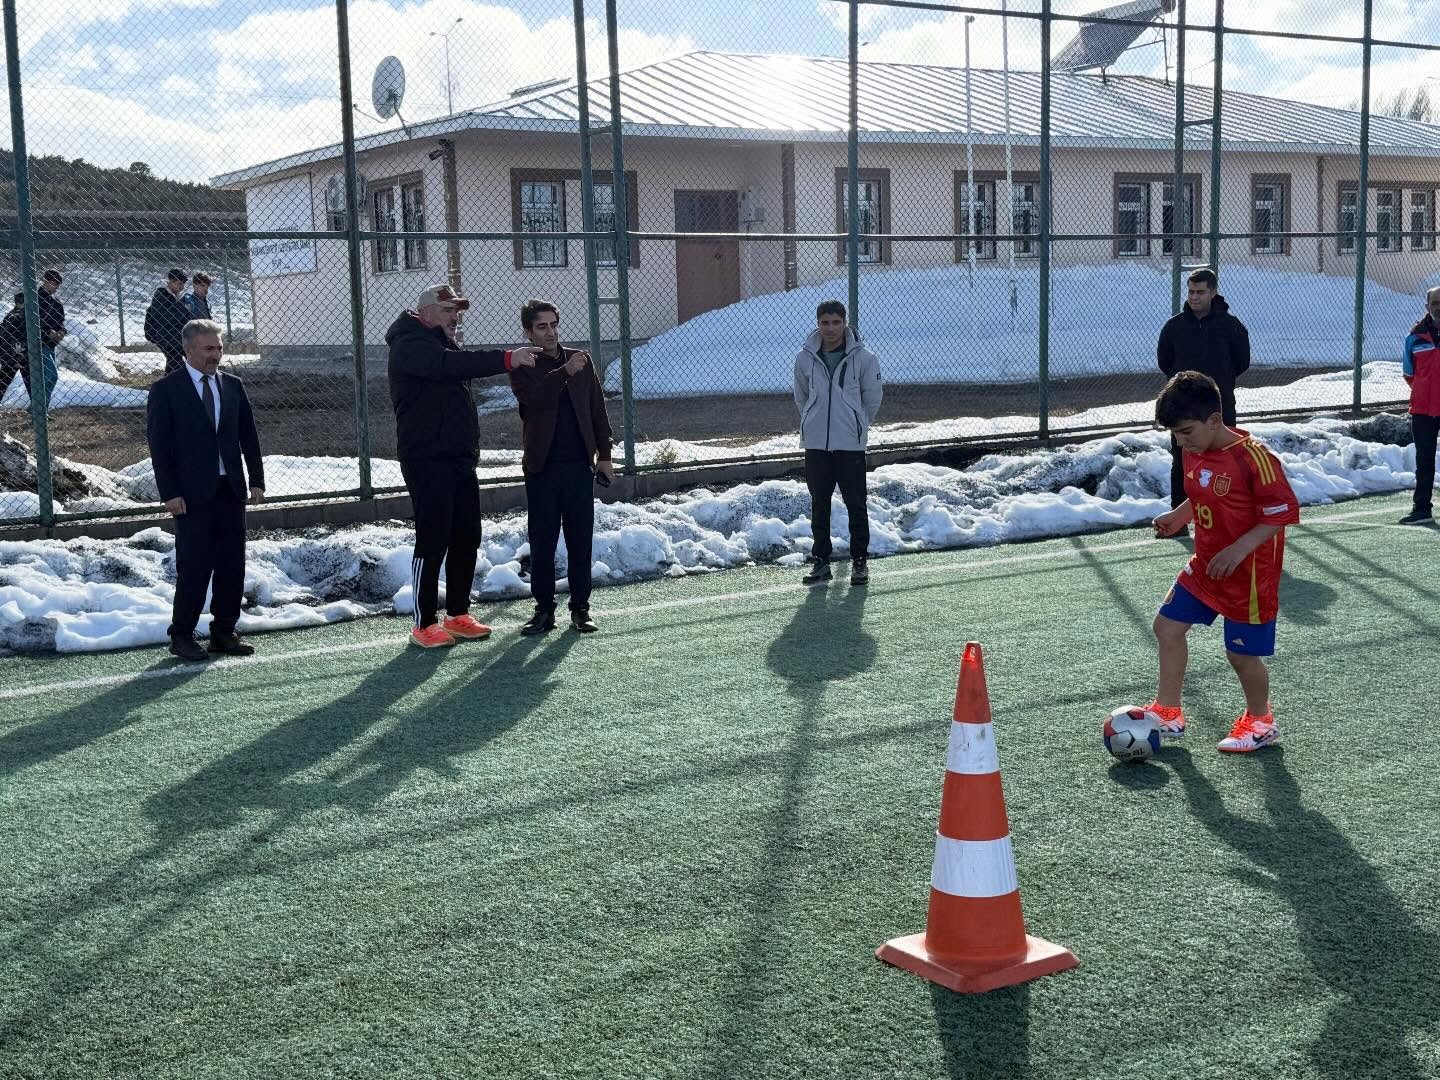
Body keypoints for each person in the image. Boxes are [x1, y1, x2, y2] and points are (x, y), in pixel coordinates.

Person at [1148, 371, 1300, 753]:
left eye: (1185, 432)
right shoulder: (1192, 447)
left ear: (1215, 420)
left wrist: (1237, 550)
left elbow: (1280, 512)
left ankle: (1261, 720)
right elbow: (1203, 493)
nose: (1180, 441)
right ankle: (1168, 712)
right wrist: (1180, 516)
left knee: (1240, 654)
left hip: (1248, 575)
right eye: (1175, 434)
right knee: (1166, 627)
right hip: (1206, 567)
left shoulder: (1256, 459)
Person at [387, 283, 539, 649]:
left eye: (457, 311)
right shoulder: (411, 345)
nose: (455, 317)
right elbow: (448, 366)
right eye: (447, 310)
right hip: (426, 460)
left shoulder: (439, 342)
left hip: (458, 459)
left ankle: (457, 614)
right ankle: (423, 623)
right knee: (433, 538)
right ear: (425, 314)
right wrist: (507, 358)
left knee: (466, 535)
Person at [146, 319, 265, 661]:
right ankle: (182, 634)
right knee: (195, 565)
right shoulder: (166, 390)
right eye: (208, 348)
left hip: (230, 491)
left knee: (232, 564)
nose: (216, 355)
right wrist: (169, 492)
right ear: (188, 349)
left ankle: (224, 632)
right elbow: (160, 446)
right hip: (190, 496)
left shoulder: (233, 385)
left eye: (219, 348)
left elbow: (249, 436)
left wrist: (256, 480)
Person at [509, 299, 615, 636]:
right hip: (542, 468)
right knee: (543, 540)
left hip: (578, 468)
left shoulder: (580, 360)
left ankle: (581, 609)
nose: (551, 332)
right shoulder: (522, 364)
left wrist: (605, 455)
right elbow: (535, 399)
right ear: (529, 332)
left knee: (580, 539)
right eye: (542, 326)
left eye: (554, 324)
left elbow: (598, 410)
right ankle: (544, 610)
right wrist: (563, 373)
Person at [792, 298, 883, 585]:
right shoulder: (804, 357)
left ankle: (859, 562)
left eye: (836, 322)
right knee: (819, 503)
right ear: (817, 324)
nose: (830, 328)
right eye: (824, 323)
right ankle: (821, 562)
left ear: (845, 323)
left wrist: (856, 423)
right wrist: (814, 420)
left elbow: (872, 398)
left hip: (850, 445)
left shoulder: (865, 358)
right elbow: (801, 396)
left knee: (856, 503)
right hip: (817, 445)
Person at [1156, 267, 1251, 520]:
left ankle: (1223, 515)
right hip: (1182, 409)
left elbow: (1242, 362)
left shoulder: (1230, 326)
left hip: (1219, 407)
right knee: (1183, 463)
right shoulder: (1174, 327)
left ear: (1213, 292)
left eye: (1200, 292)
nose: (1194, 297)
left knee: (1224, 460)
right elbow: (1165, 362)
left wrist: (1215, 386)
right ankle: (1179, 517)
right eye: (1190, 291)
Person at [1398, 285, 1440, 525]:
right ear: (1427, 306)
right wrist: (1425, 392)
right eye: (1435, 302)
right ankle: (1422, 509)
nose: (1439, 307)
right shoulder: (1414, 337)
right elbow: (1408, 373)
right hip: (1423, 410)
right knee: (1424, 461)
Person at [0, 290, 60, 409]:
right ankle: (39, 410)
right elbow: (25, 334)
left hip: (14, 355)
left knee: (9, 382)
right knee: (31, 384)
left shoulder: (13, 315)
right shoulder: (21, 316)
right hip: (17, 354)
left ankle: (39, 410)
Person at [144, 268, 192, 376]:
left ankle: (169, 382)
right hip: (164, 335)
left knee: (175, 360)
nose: (182, 287)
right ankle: (170, 383)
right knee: (175, 360)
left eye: (183, 284)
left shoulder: (179, 297)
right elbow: (169, 317)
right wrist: (183, 309)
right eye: (179, 283)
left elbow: (184, 316)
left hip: (176, 335)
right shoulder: (161, 295)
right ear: (171, 281)